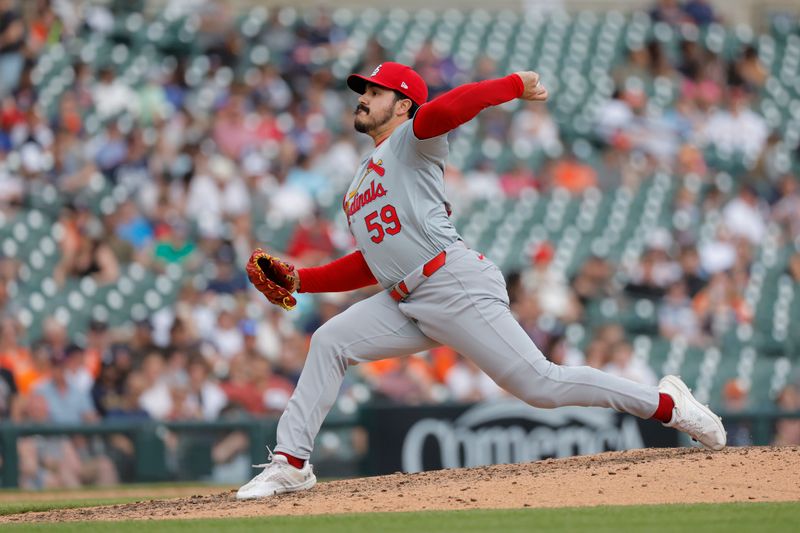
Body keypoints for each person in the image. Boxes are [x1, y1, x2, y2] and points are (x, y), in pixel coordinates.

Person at [237, 62, 726, 500]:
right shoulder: (357, 184)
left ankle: (669, 405)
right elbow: (371, 262)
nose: (363, 97)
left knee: (541, 385)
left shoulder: (412, 140)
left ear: (403, 103)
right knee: (329, 341)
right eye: (364, 90)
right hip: (405, 297)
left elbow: (446, 109)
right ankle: (292, 464)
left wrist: (511, 85)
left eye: (377, 91)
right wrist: (302, 281)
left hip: (452, 281)